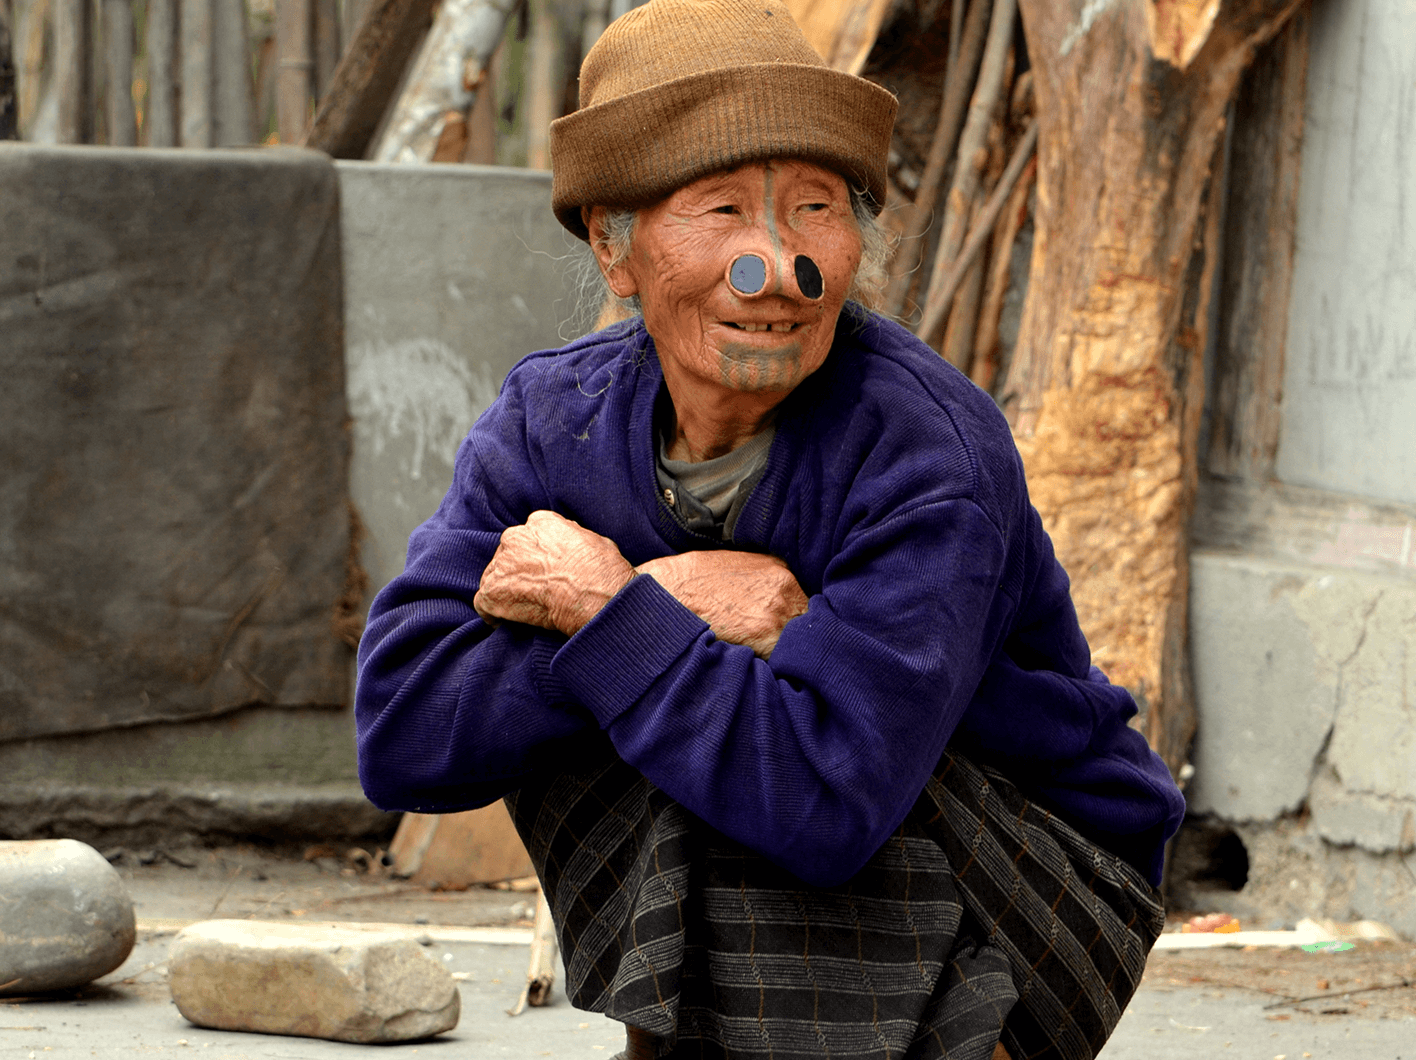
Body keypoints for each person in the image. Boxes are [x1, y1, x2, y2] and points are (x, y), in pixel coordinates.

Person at [354, 1, 1185, 1056]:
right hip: (822, 872)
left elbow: (831, 798)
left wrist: (614, 614)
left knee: (717, 714)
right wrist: (653, 613)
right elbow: (401, 732)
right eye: (721, 211)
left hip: (1027, 892)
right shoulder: (550, 420)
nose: (778, 269)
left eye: (814, 210)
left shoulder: (925, 448)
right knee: (624, 695)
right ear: (614, 247)